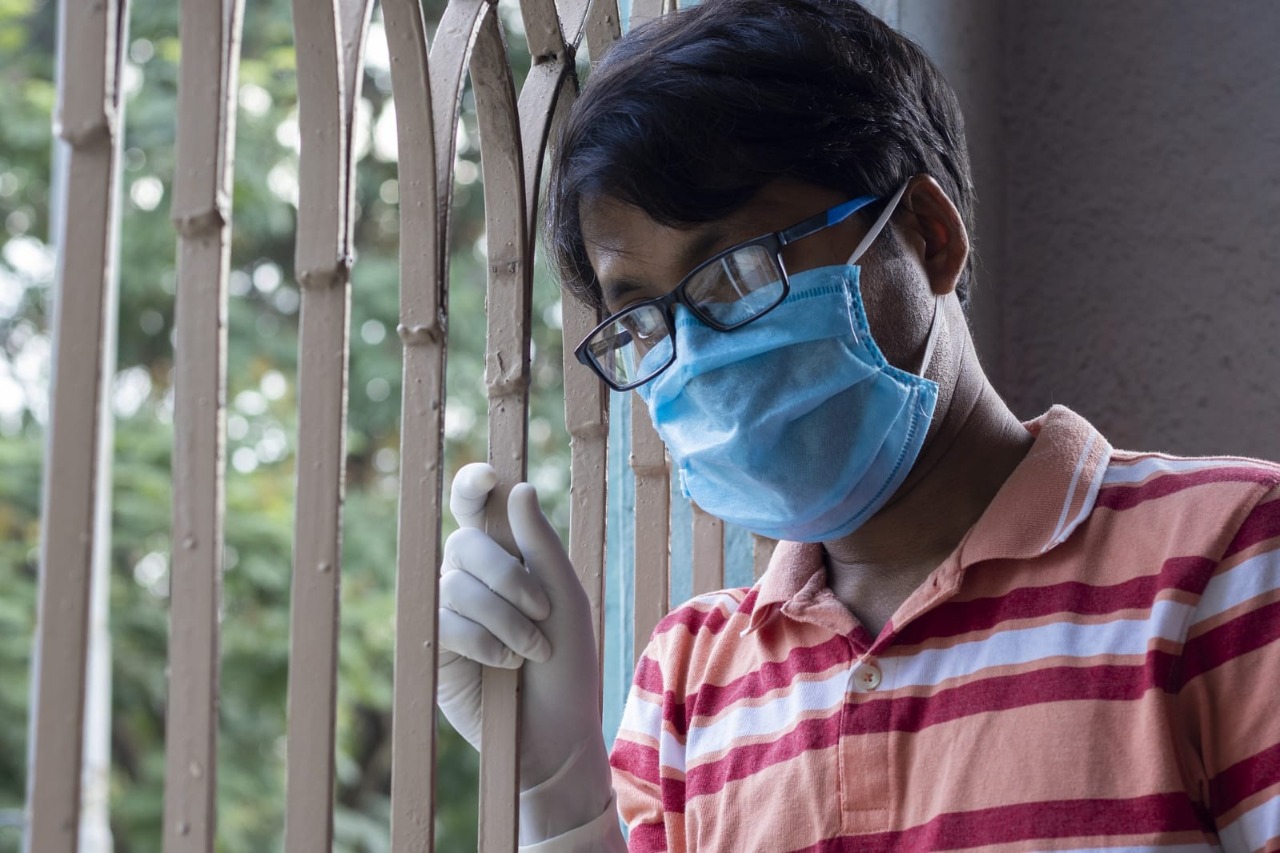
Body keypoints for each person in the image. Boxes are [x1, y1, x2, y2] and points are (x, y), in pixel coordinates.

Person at [436, 0, 1280, 849]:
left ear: (927, 236)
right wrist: (559, 796)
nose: (694, 354)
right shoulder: (688, 679)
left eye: (737, 271)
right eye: (646, 320)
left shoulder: (1232, 558)